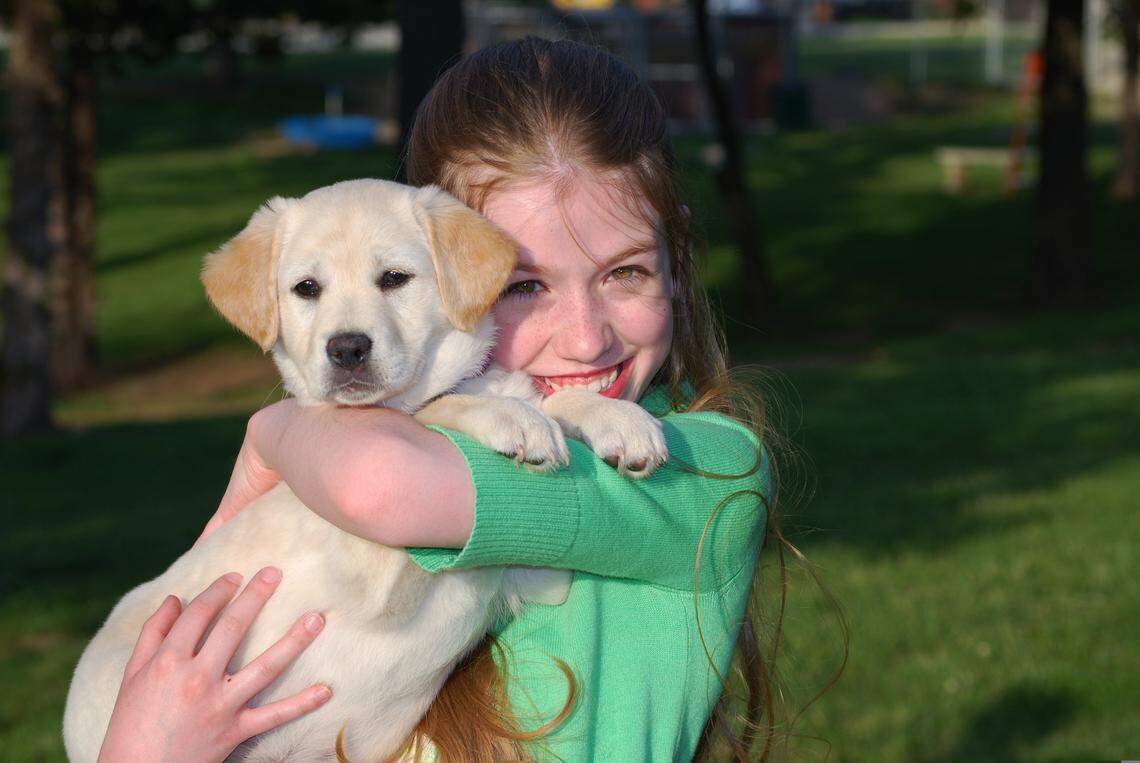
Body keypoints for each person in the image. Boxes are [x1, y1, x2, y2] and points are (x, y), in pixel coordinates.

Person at [101, 36, 788, 762]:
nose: (587, 340)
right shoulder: (468, 429)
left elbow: (378, 483)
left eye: (624, 273)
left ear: (676, 263)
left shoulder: (705, 474)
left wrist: (273, 433)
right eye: (524, 286)